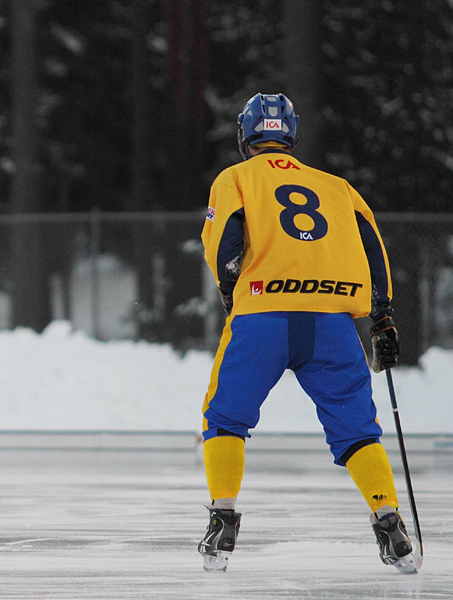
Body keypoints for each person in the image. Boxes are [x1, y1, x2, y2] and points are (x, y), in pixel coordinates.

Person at [197, 93, 416, 573]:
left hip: (264, 317)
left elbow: (226, 244)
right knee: (357, 430)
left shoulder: (234, 178)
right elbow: (372, 247)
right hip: (333, 324)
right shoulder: (337, 187)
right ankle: (389, 522)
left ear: (245, 135)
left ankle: (223, 520)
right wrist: (382, 318)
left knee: (226, 419)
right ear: (290, 135)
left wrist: (232, 294)